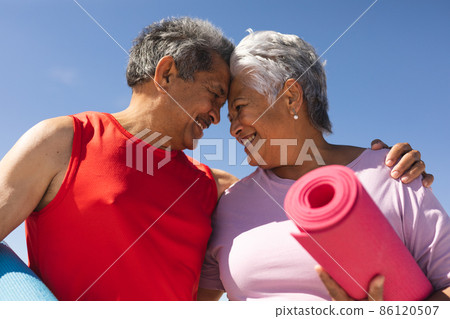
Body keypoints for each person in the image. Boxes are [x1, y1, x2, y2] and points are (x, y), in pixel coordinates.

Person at [0, 18, 431, 301]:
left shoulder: (212, 187)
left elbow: (296, 183)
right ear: (167, 74)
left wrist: (386, 166)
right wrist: (27, 300)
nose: (217, 117)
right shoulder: (63, 141)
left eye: (230, 105)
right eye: (215, 95)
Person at [197, 31, 449, 301]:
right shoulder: (230, 204)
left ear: (292, 96)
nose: (233, 129)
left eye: (240, 107)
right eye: (230, 117)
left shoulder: (394, 175)